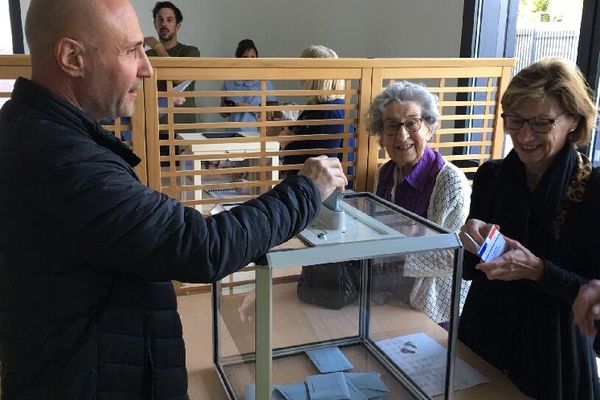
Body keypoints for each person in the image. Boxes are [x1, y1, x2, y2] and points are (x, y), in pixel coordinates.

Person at [0, 0, 347, 399]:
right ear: (72, 57)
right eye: (132, 50)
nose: (147, 68)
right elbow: (202, 246)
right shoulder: (60, 159)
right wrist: (306, 189)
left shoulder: (36, 131)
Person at [458, 58, 600, 399]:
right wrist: (468, 240)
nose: (523, 136)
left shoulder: (594, 190)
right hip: (484, 336)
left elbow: (593, 292)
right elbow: (468, 273)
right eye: (516, 120)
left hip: (553, 353)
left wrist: (537, 270)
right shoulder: (491, 176)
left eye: (540, 123)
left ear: (573, 122)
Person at [365, 81, 471, 322]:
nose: (402, 135)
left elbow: (453, 256)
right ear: (381, 136)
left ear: (429, 127)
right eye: (391, 126)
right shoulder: (385, 173)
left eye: (412, 123)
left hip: (428, 308)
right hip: (385, 296)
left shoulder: (450, 182)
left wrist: (402, 245)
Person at [282, 45, 353, 174]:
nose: (298, 73)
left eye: (303, 68)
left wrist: (288, 145)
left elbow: (321, 171)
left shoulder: (331, 113)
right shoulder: (315, 108)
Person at [145, 1, 200, 140]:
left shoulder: (190, 51)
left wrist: (158, 47)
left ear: (178, 26)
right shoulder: (147, 56)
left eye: (169, 20)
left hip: (184, 129)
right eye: (160, 19)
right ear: (155, 24)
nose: (164, 24)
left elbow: (179, 78)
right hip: (156, 127)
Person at [220, 39, 278, 132]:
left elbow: (272, 113)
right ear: (238, 59)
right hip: (233, 131)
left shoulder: (264, 81)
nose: (249, 61)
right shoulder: (229, 81)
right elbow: (223, 113)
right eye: (245, 57)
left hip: (256, 131)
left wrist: (248, 107)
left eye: (253, 57)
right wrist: (233, 107)